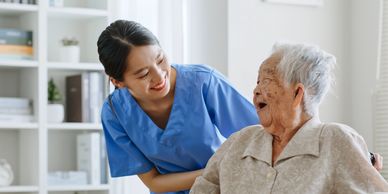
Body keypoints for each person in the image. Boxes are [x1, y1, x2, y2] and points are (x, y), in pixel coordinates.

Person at [190, 43, 388, 193]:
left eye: (266, 81)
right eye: (257, 82)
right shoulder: (239, 142)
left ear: (297, 93)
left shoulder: (335, 140)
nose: (256, 90)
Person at [97, 20, 259, 194]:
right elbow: (154, 182)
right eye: (143, 74)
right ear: (117, 81)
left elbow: (259, 135)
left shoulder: (203, 82)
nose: (159, 77)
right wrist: (216, 171)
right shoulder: (114, 112)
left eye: (160, 60)